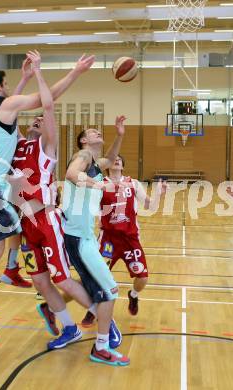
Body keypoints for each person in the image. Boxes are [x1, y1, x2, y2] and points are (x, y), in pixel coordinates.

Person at [0, 52, 95, 340]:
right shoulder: (10, 112)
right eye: (7, 84)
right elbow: (45, 100)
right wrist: (74, 72)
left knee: (13, 223)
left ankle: (10, 270)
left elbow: (5, 110)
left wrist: (21, 79)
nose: (10, 88)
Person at [9, 50, 98, 350]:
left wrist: (39, 73)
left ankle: (105, 323)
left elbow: (47, 104)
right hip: (26, 223)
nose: (36, 121)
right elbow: (7, 113)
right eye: (31, 120)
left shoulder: (47, 149)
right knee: (40, 282)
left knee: (62, 280)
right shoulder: (18, 146)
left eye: (40, 120)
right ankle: (70, 328)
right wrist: (22, 79)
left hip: (47, 220)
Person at [62, 117, 130, 366]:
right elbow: (70, 174)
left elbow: (110, 160)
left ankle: (101, 343)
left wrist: (119, 135)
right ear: (83, 140)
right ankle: (100, 346)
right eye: (92, 131)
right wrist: (97, 184)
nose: (97, 131)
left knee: (107, 292)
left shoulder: (94, 162)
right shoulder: (83, 155)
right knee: (109, 292)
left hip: (84, 236)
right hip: (78, 237)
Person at [81, 155, 167, 327]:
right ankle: (92, 309)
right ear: (108, 166)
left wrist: (158, 194)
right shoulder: (101, 184)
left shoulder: (133, 183)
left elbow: (150, 206)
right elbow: (91, 207)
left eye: (120, 159)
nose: (117, 160)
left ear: (123, 165)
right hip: (108, 239)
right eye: (114, 159)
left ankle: (133, 295)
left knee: (142, 277)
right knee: (97, 276)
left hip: (130, 238)